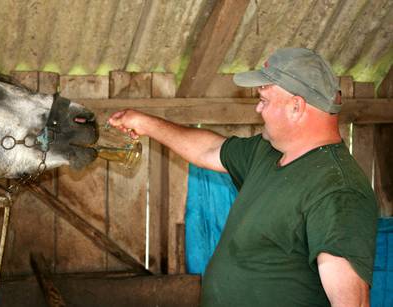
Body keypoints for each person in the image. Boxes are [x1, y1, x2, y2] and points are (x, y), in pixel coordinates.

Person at [108, 48, 378, 307]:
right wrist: (144, 123)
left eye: (264, 101)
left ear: (296, 106)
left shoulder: (337, 191)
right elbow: (209, 149)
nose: (258, 110)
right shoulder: (268, 151)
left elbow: (351, 302)